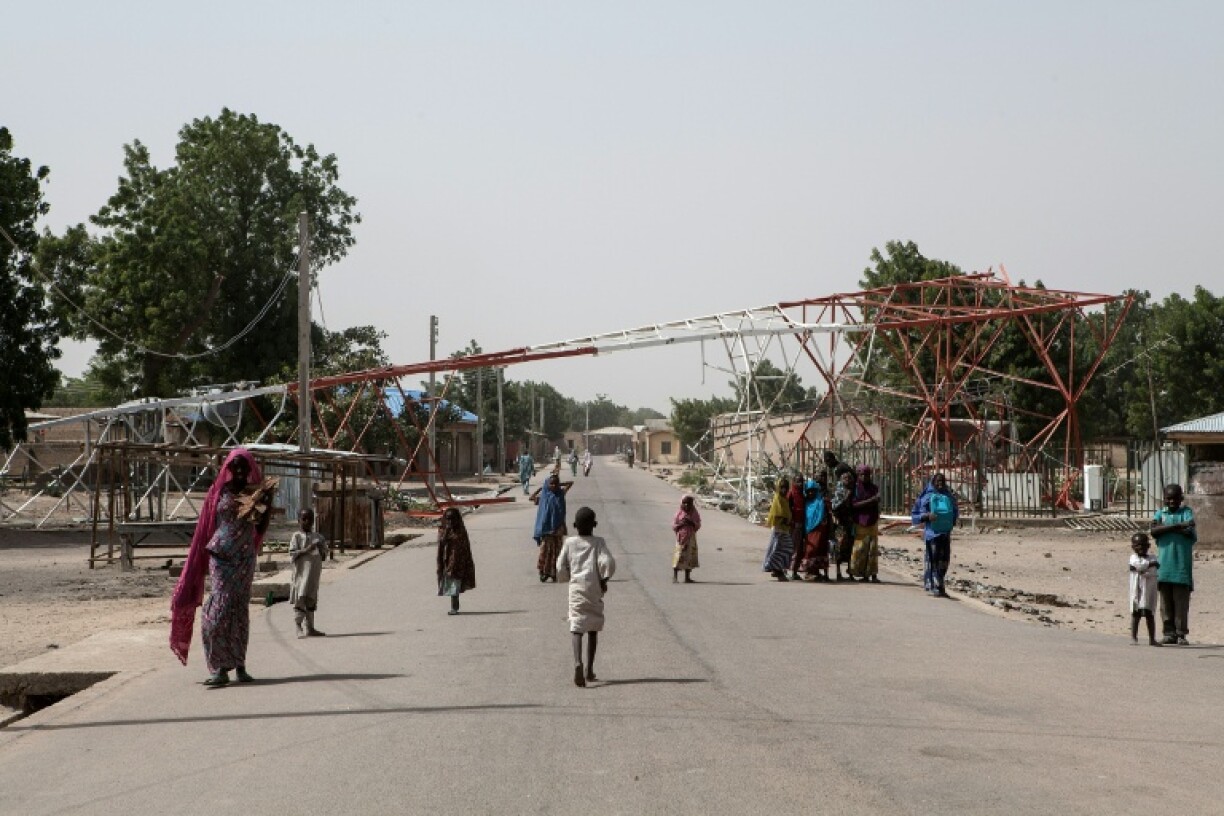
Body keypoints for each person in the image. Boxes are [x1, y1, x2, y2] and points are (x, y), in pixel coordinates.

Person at [169, 448, 271, 687]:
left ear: (249, 469)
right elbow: (207, 524)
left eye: (242, 467)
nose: (238, 470)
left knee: (239, 611)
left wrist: (266, 502)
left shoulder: (254, 495)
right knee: (217, 612)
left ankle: (239, 665)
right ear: (227, 468)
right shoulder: (218, 493)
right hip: (221, 557)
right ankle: (219, 667)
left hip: (244, 558)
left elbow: (259, 529)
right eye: (234, 466)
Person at [556, 506, 616, 687]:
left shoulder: (569, 542)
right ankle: (589, 670)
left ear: (574, 525)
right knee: (592, 628)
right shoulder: (599, 542)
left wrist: (566, 578)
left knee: (576, 625)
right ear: (594, 525)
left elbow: (560, 565)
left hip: (576, 588)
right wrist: (605, 579)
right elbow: (608, 562)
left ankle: (577, 662)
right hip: (593, 587)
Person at [1152, 483, 1196, 645]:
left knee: (1181, 603)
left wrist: (1166, 528)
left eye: (1175, 499)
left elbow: (1189, 530)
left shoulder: (1187, 512)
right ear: (1164, 499)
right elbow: (1154, 531)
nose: (1171, 502)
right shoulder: (1160, 513)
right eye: (1168, 499)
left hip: (1181, 567)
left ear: (1181, 499)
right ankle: (1168, 632)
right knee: (1165, 603)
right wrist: (1178, 526)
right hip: (1164, 567)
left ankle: (1181, 633)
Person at [911, 472, 958, 597]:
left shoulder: (948, 496)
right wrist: (926, 516)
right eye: (937, 481)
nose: (940, 484)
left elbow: (954, 512)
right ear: (932, 482)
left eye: (942, 481)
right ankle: (934, 586)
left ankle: (940, 585)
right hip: (932, 534)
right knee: (933, 560)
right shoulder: (926, 497)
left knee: (944, 560)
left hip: (945, 534)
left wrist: (952, 520)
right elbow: (915, 515)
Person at [288, 508, 329, 638]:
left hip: (314, 575)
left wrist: (322, 548)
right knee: (300, 598)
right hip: (301, 575)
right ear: (299, 520)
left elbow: (324, 556)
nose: (307, 522)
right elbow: (293, 554)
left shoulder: (318, 537)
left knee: (311, 599)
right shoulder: (297, 537)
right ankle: (298, 626)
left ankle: (310, 627)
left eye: (310, 519)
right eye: (304, 519)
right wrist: (308, 549)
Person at [532, 473, 572, 582]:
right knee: (545, 551)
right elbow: (532, 498)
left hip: (558, 528)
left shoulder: (560, 494)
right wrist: (541, 488)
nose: (553, 486)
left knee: (557, 551)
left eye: (555, 484)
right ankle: (543, 572)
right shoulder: (544, 496)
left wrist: (559, 484)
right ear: (548, 484)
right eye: (551, 484)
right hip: (546, 529)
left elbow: (570, 483)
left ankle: (554, 572)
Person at [437, 507, 477, 615]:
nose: (450, 522)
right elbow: (442, 543)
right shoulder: (443, 530)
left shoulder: (460, 530)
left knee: (454, 584)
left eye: (452, 519)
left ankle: (454, 607)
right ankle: (454, 605)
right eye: (448, 519)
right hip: (448, 562)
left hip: (459, 562)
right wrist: (447, 531)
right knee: (451, 584)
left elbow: (464, 547)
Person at [850, 465, 882, 583]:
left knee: (872, 549)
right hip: (860, 521)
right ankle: (858, 572)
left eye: (867, 475)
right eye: (862, 475)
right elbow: (854, 505)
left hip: (872, 521)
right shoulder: (856, 488)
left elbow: (877, 502)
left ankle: (872, 574)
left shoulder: (874, 488)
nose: (864, 477)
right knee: (860, 549)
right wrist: (871, 500)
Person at [1128, 532, 1161, 646]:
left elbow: (1151, 569)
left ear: (1148, 546)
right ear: (1133, 547)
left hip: (1149, 590)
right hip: (1137, 590)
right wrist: (1148, 566)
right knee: (1135, 614)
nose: (1140, 548)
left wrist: (1145, 568)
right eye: (1137, 545)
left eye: (1143, 545)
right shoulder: (1133, 558)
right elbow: (1138, 565)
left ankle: (1152, 639)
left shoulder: (1153, 557)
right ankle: (1133, 637)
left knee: (1149, 614)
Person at [761, 478, 794, 581]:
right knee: (778, 550)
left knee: (786, 549)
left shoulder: (784, 499)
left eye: (786, 488)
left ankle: (777, 569)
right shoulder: (778, 499)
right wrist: (785, 521)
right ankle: (777, 570)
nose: (784, 490)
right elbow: (777, 514)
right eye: (782, 488)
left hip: (785, 529)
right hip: (779, 529)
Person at [802, 472, 832, 582]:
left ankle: (816, 572)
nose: (810, 493)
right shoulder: (806, 503)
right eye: (808, 491)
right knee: (811, 549)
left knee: (820, 550)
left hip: (821, 529)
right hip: (810, 530)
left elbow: (828, 515)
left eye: (812, 491)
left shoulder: (821, 502)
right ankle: (809, 572)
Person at [830, 467, 856, 582]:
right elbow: (835, 506)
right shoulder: (840, 492)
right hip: (841, 524)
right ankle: (838, 572)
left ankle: (850, 572)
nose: (848, 481)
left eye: (849, 479)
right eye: (845, 478)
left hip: (851, 523)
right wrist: (846, 497)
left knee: (850, 549)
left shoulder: (855, 491)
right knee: (840, 548)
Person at [672, 494, 701, 583]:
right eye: (684, 503)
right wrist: (681, 523)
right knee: (679, 556)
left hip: (691, 538)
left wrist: (691, 522)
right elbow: (674, 526)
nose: (686, 505)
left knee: (689, 557)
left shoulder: (694, 513)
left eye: (689, 503)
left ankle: (687, 577)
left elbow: (698, 524)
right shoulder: (679, 513)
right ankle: (675, 577)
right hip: (681, 538)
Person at [787, 476, 808, 580]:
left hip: (802, 525)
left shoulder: (802, 494)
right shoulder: (791, 493)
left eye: (802, 482)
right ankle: (787, 570)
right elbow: (788, 508)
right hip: (794, 525)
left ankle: (795, 571)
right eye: (798, 482)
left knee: (799, 549)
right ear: (794, 482)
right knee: (792, 549)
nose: (800, 484)